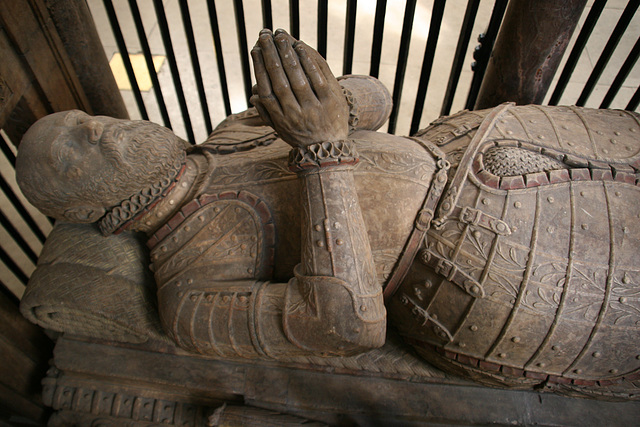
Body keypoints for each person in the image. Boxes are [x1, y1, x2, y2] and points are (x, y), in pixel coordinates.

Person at [16, 29, 640, 396]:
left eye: (86, 122)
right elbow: (344, 327)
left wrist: (334, 97)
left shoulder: (231, 132)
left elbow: (376, 96)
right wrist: (321, 149)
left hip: (489, 143)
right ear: (94, 209)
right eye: (74, 152)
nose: (96, 130)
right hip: (486, 274)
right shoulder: (191, 295)